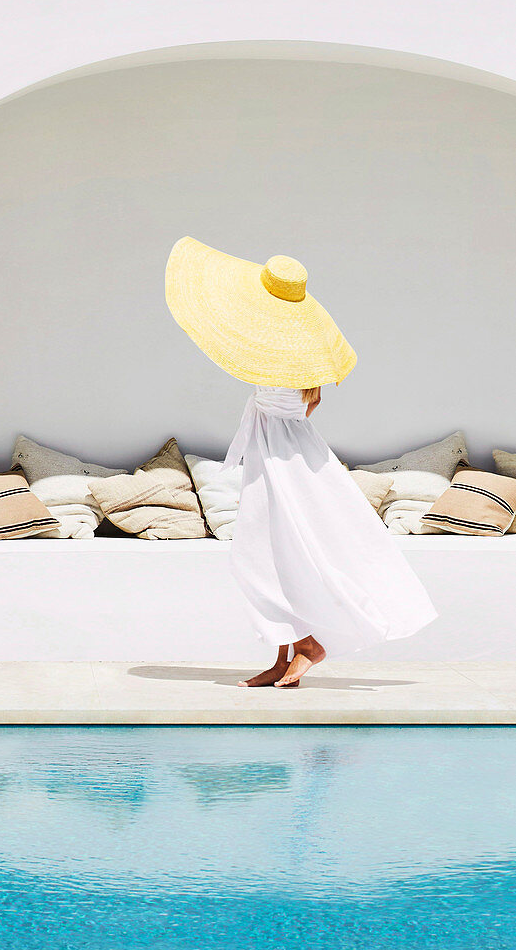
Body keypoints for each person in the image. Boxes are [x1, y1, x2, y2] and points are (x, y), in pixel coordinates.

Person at [164, 238, 437, 688]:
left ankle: (305, 644)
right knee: (272, 555)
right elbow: (296, 405)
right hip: (284, 453)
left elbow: (264, 384)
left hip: (282, 459)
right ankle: (285, 653)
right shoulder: (298, 358)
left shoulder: (275, 356)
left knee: (263, 556)